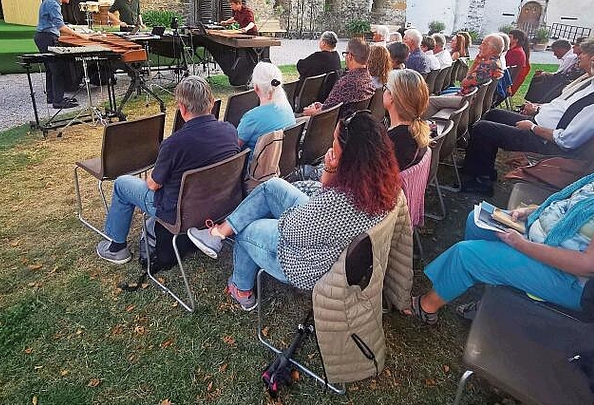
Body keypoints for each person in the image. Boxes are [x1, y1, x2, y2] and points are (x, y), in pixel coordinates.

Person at [409, 96, 594, 323]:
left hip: (576, 283)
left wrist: (524, 245)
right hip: (554, 243)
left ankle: (427, 307)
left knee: (467, 253)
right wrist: (536, 211)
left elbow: (589, 266)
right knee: (479, 220)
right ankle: (491, 292)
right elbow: (584, 207)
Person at [186, 111, 401, 310]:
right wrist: (329, 171)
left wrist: (276, 212)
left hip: (306, 263)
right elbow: (322, 208)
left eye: (335, 143)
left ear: (350, 156)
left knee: (247, 227)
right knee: (272, 187)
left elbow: (291, 230)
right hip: (326, 240)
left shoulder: (338, 203)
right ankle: (219, 233)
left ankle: (241, 288)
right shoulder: (383, 185)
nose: (331, 146)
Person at [460, 36, 594, 194]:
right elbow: (564, 106)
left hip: (549, 142)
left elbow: (568, 141)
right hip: (542, 125)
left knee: (483, 129)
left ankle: (480, 183)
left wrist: (533, 127)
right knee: (493, 114)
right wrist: (539, 110)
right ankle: (482, 170)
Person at [96, 76, 240, 264]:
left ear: (182, 108)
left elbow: (153, 185)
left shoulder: (174, 144)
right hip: (221, 204)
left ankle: (117, 249)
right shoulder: (230, 131)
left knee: (122, 184)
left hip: (179, 214)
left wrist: (152, 176)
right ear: (211, 103)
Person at [424, 34, 505, 118]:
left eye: (483, 44)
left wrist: (476, 63)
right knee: (436, 98)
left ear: (492, 49)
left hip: (467, 100)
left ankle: (424, 127)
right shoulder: (495, 62)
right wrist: (476, 62)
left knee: (431, 101)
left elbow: (464, 83)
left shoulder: (487, 65)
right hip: (469, 98)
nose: (479, 47)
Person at [34, 0, 87, 109]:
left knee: (50, 69)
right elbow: (60, 26)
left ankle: (52, 97)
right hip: (47, 37)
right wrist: (81, 35)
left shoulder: (48, 1)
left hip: (42, 36)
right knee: (57, 70)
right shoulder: (53, 5)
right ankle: (58, 101)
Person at [302, 38, 375, 117]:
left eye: (345, 53)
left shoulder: (346, 83)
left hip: (335, 125)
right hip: (354, 122)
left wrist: (310, 112)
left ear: (350, 56)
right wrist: (323, 106)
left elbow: (326, 113)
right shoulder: (369, 78)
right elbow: (331, 106)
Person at [236, 62, 296, 156]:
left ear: (255, 87)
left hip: (257, 168)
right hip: (283, 163)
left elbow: (234, 149)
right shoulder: (286, 107)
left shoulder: (252, 118)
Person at [383, 69, 430, 170]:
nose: (384, 91)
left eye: (386, 88)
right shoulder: (417, 131)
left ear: (392, 97)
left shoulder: (392, 142)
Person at [507, 29, 531, 95]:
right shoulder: (516, 50)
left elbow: (505, 67)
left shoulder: (516, 52)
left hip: (507, 83)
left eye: (510, 37)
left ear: (516, 39)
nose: (507, 38)